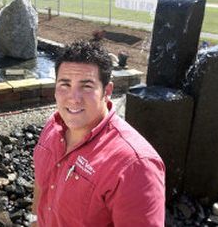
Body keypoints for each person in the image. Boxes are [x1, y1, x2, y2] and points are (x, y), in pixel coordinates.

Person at [32, 41, 165, 226]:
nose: (73, 98)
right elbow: (41, 184)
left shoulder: (135, 166)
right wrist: (34, 220)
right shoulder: (53, 127)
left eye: (86, 86)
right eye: (65, 84)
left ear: (107, 91)